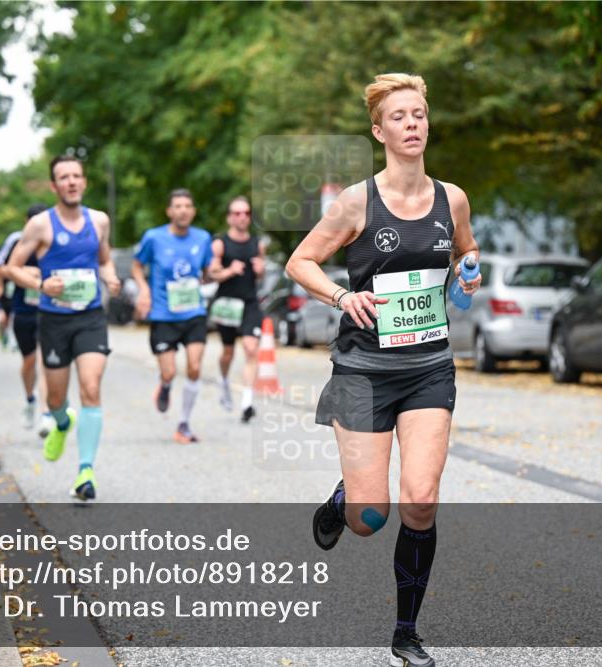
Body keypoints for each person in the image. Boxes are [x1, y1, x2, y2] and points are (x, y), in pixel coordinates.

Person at [285, 73, 481, 667]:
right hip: (362, 370)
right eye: (399, 116)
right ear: (379, 131)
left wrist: (470, 270)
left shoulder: (452, 198)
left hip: (428, 369)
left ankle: (406, 633)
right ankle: (346, 495)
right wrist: (343, 298)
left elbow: (465, 249)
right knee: (370, 518)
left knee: (420, 500)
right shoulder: (355, 202)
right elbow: (301, 261)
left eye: (419, 113)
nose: (412, 123)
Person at [6, 156, 121, 501]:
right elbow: (13, 268)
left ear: (84, 182)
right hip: (53, 320)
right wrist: (41, 283)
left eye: (76, 176)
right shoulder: (40, 225)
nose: (71, 182)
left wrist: (110, 276)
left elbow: (104, 258)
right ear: (54, 186)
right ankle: (61, 420)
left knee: (90, 386)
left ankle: (85, 471)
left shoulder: (99, 221)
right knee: (56, 397)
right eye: (63, 177)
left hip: (90, 318)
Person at [132, 189, 214, 444]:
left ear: (193, 211)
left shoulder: (203, 238)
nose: (183, 210)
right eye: (177, 206)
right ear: (169, 211)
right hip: (163, 315)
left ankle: (184, 424)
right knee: (169, 372)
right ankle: (165, 385)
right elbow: (136, 265)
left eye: (187, 206)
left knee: (194, 366)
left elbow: (207, 271)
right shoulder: (154, 238)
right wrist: (144, 290)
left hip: (194, 313)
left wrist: (217, 273)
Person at [206, 196, 266, 423]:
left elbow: (260, 274)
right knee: (228, 352)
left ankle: (247, 402)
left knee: (251, 349)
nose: (242, 217)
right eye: (237, 213)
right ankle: (223, 381)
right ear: (229, 217)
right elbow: (212, 274)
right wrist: (229, 271)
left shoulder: (256, 243)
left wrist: (261, 270)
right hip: (227, 304)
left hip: (250, 303)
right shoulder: (220, 243)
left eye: (246, 213)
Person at [0, 204, 53, 432]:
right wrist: (24, 273)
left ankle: (45, 413)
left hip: (48, 310)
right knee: (29, 363)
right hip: (22, 310)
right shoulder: (16, 241)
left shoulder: (53, 240)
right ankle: (30, 400)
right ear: (26, 222)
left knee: (44, 362)